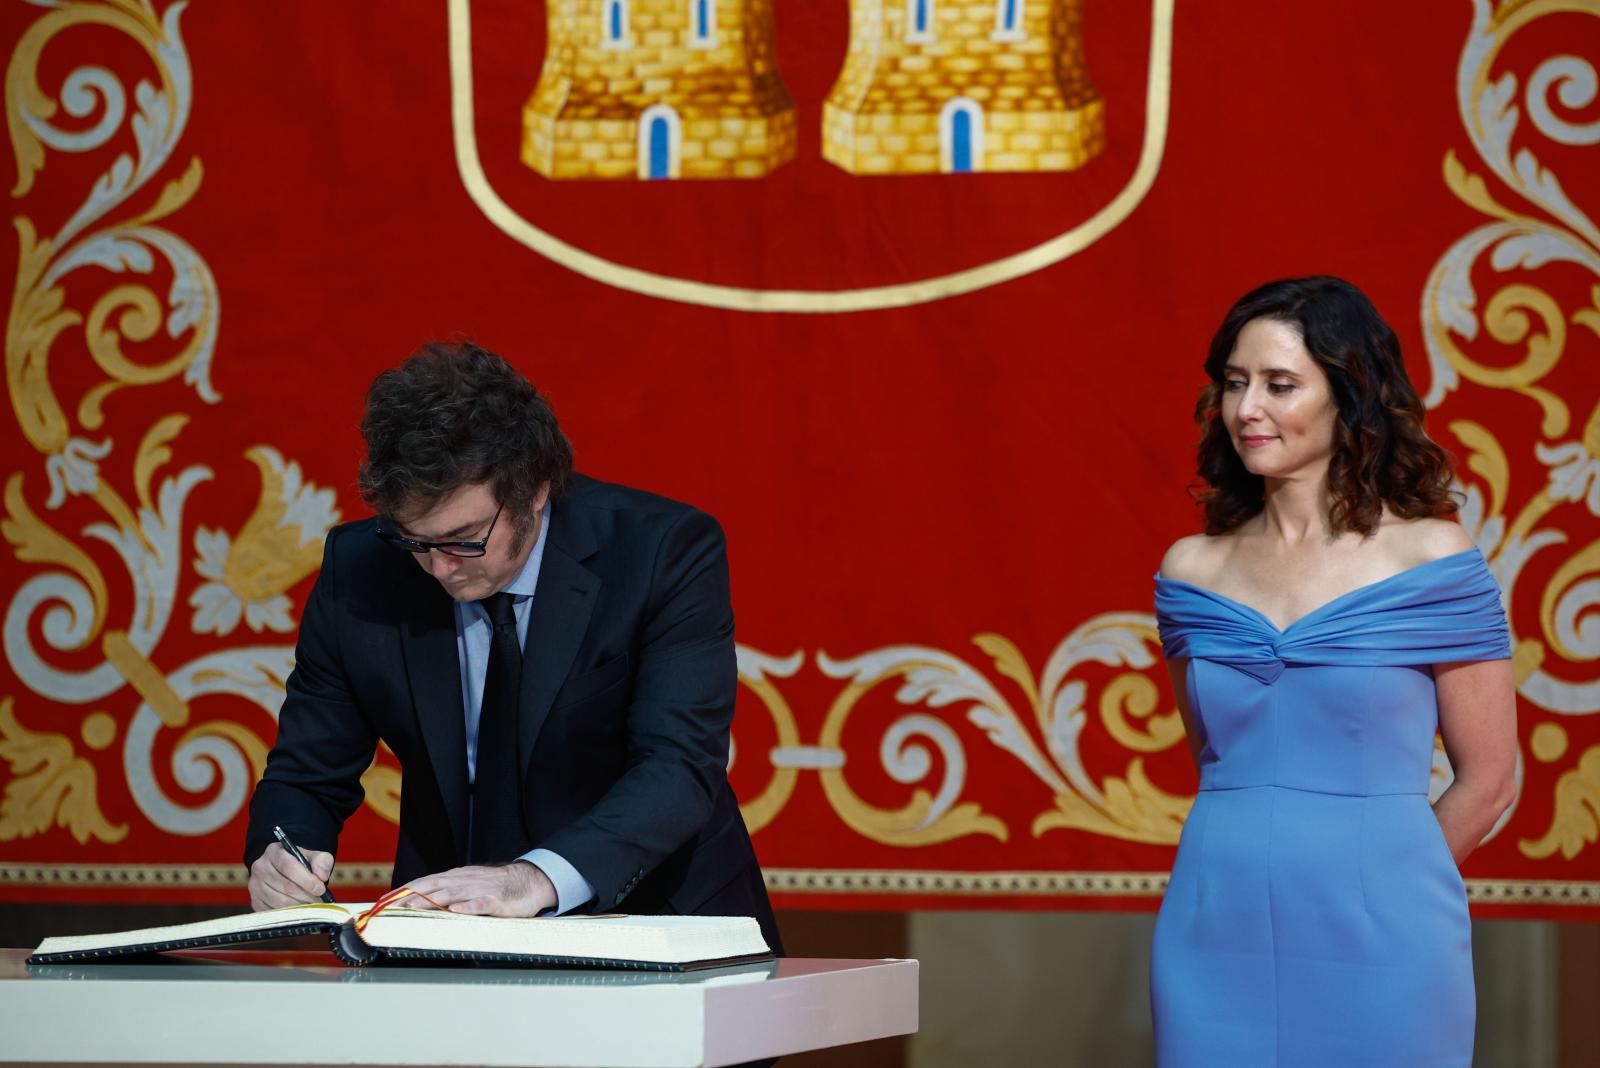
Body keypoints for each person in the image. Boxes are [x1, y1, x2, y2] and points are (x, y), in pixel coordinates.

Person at [243, 340, 781, 956]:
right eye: (413, 540)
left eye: (465, 539)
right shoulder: (363, 569)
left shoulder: (663, 552)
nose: (440, 568)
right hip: (451, 936)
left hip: (660, 926)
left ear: (536, 489)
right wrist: (281, 855)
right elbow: (307, 772)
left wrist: (535, 879)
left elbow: (678, 767)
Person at [1149, 277, 1515, 1066]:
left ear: (1351, 395)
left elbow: (1491, 779)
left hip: (1387, 936)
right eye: (1236, 383)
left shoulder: (1432, 558)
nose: (1247, 409)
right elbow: (1214, 758)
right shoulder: (1191, 572)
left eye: (1280, 385)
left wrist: (1388, 876)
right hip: (1215, 929)